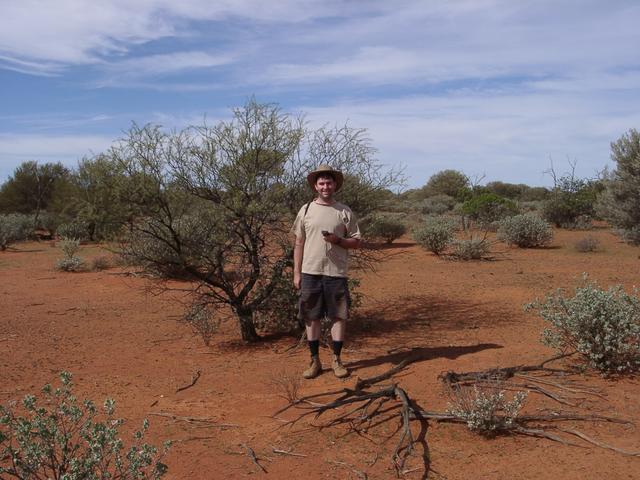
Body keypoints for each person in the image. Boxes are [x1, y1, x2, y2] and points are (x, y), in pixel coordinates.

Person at [291, 164, 361, 379]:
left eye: (329, 182)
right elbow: (299, 243)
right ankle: (315, 361)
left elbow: (357, 242)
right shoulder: (305, 210)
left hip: (336, 273)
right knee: (312, 317)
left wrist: (338, 240)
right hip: (310, 271)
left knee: (338, 317)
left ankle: (337, 359)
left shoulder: (344, 211)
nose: (325, 186)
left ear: (335, 185)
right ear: (315, 186)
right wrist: (297, 273)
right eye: (321, 183)